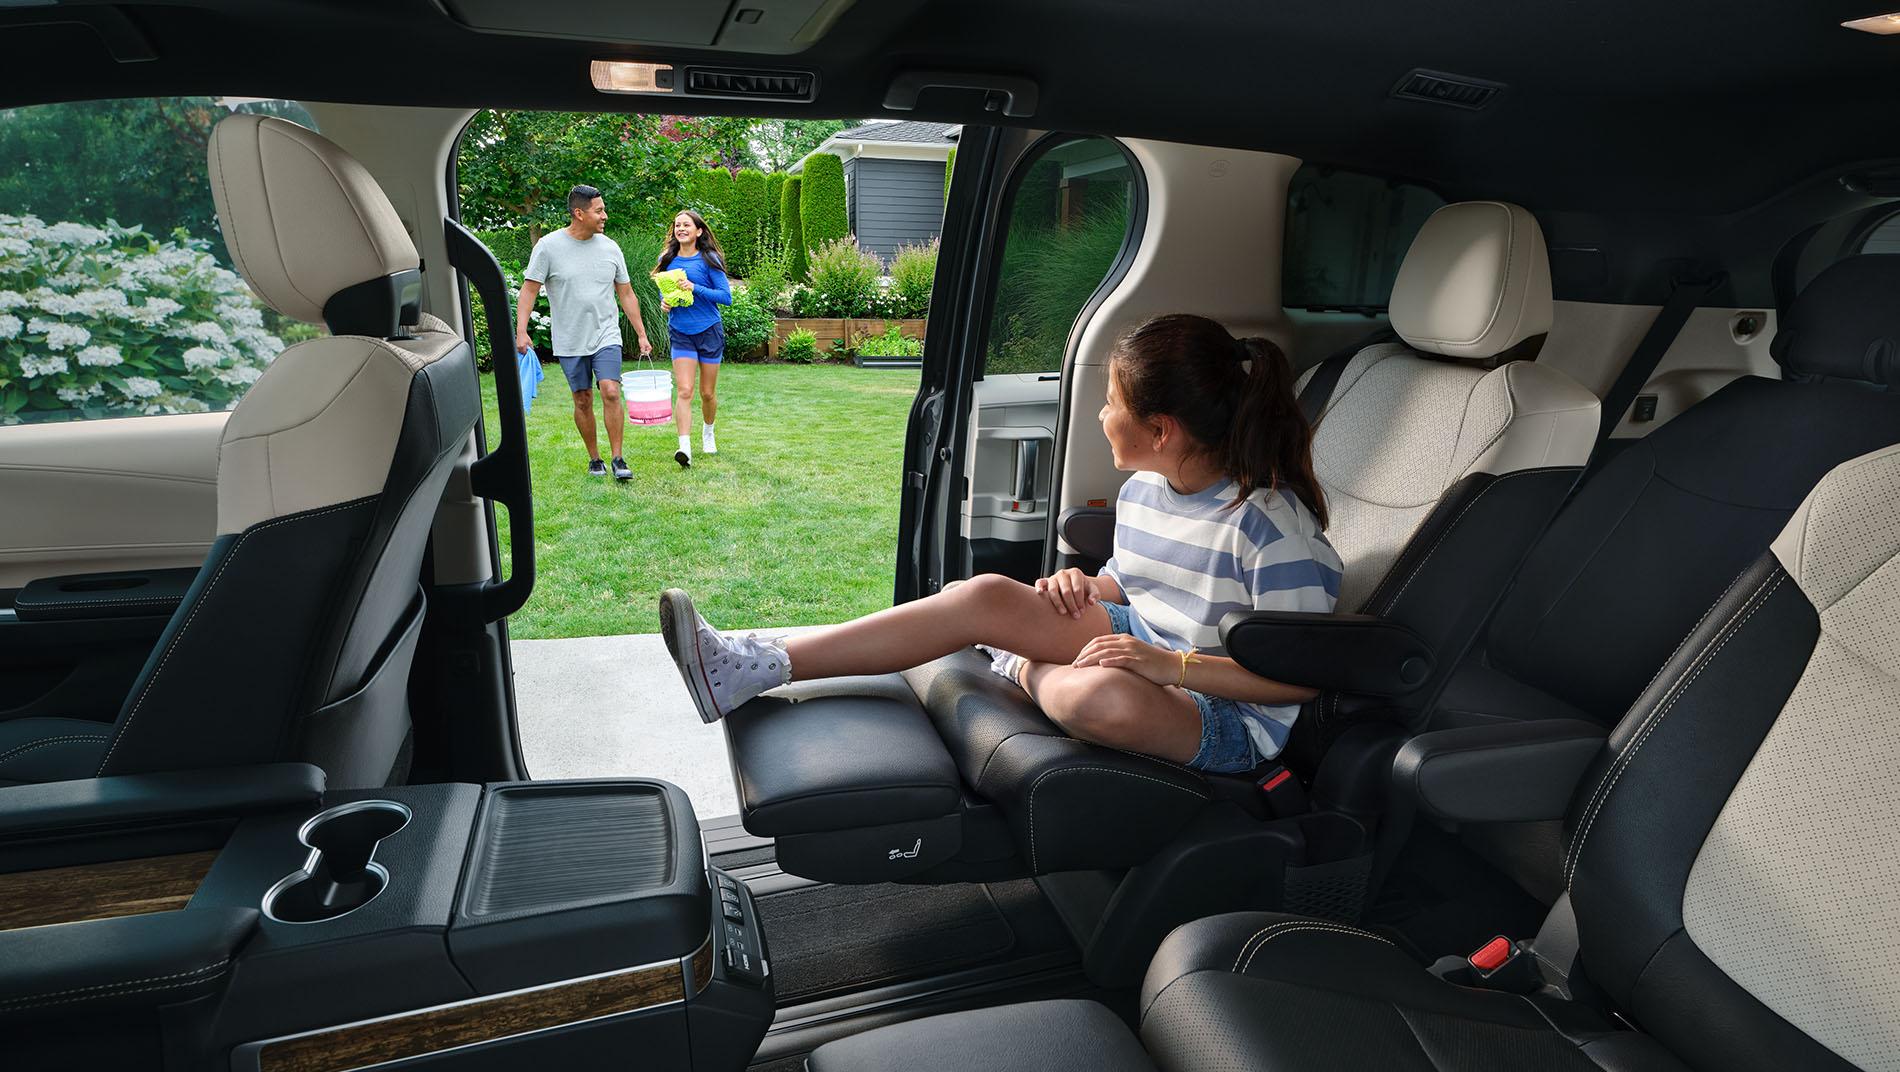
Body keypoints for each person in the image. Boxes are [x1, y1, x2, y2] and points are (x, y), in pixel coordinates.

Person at [658, 314, 1344, 773]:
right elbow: (1136, 586)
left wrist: (1170, 668)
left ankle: (1019, 663)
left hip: (1222, 708)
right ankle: (755, 665)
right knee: (984, 592)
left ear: (1160, 430)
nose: (1103, 415)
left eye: (1112, 403)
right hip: (1139, 641)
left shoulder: (1267, 526)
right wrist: (1087, 587)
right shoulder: (1144, 491)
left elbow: (1303, 676)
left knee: (1096, 698)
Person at [517, 184, 653, 481]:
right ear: (579, 214)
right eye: (599, 210)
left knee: (611, 391)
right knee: (582, 399)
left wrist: (641, 333)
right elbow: (528, 291)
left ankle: (618, 458)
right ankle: (595, 458)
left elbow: (626, 293)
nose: (605, 215)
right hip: (569, 338)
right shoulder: (548, 247)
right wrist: (521, 330)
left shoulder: (610, 247)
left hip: (606, 333)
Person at [655, 209, 732, 467]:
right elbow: (664, 291)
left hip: (709, 330)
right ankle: (684, 448)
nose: (681, 229)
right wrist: (664, 303)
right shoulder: (667, 259)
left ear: (699, 231)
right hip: (681, 332)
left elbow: (726, 297)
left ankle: (708, 432)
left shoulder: (709, 259)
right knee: (685, 390)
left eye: (686, 225)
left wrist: (694, 288)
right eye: (677, 225)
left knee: (707, 393)